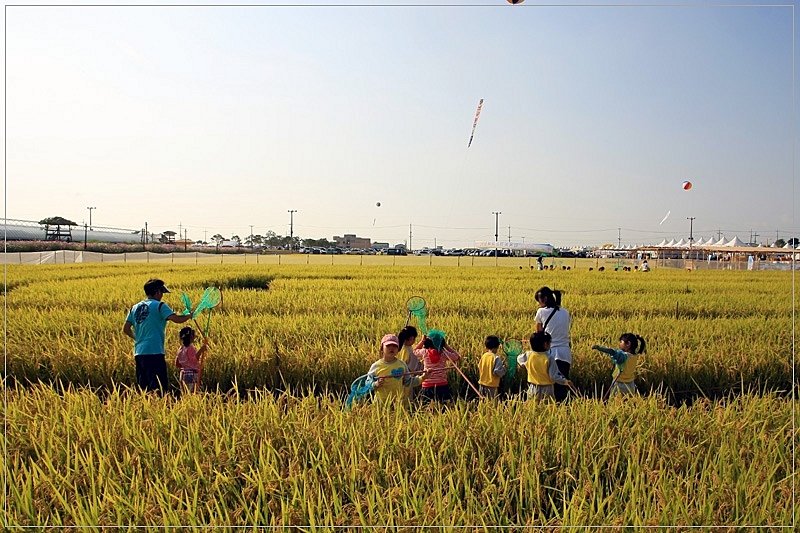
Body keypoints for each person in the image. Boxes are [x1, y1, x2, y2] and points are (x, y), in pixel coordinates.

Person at [123, 278, 192, 392]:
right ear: (158, 292)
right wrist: (189, 316)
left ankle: (147, 408)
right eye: (162, 293)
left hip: (139, 352)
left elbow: (126, 329)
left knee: (144, 388)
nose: (162, 296)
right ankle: (158, 408)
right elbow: (177, 319)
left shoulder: (134, 307)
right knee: (158, 387)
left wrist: (139, 338)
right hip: (154, 351)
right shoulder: (160, 306)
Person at [534, 286, 572, 402]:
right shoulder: (565, 312)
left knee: (548, 385)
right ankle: (563, 410)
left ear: (544, 299)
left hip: (549, 353)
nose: (538, 304)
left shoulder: (541, 311)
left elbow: (538, 334)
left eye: (539, 301)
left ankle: (551, 411)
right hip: (565, 354)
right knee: (562, 385)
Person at [367, 334, 423, 404]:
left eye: (395, 346)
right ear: (382, 348)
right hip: (380, 403)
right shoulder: (376, 366)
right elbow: (367, 384)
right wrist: (375, 384)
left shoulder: (402, 365)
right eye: (388, 346)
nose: (392, 348)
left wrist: (423, 377)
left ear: (398, 349)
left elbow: (408, 382)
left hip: (398, 403)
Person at [517, 331, 573, 401]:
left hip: (532, 388)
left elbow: (519, 358)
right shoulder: (549, 358)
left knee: (532, 408)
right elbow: (553, 376)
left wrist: (522, 365)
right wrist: (565, 382)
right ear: (545, 344)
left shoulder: (528, 355)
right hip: (547, 389)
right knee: (547, 408)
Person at [592, 333, 646, 398]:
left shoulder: (623, 356)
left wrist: (599, 348)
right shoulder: (634, 356)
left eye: (621, 342)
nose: (619, 344)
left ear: (628, 344)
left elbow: (612, 352)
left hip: (619, 385)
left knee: (614, 404)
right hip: (631, 385)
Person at [414, 329, 461, 404]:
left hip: (427, 384)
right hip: (442, 384)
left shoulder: (424, 352)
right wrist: (446, 346)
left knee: (426, 407)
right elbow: (457, 357)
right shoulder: (444, 353)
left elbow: (415, 351)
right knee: (443, 406)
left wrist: (422, 341)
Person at [175, 326, 207, 393]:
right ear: (191, 337)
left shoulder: (180, 349)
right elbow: (194, 359)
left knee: (185, 394)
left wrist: (185, 365)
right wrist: (201, 350)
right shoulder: (190, 348)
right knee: (192, 394)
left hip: (183, 374)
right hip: (191, 374)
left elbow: (177, 364)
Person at [477, 335, 506, 399]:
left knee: (483, 403)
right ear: (497, 347)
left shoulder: (484, 356)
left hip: (482, 384)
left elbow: (479, 366)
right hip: (491, 386)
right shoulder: (496, 358)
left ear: (486, 347)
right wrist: (503, 368)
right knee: (493, 404)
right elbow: (497, 372)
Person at [397, 325, 421, 399]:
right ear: (411, 338)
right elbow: (411, 370)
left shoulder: (398, 349)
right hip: (407, 379)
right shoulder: (411, 353)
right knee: (407, 399)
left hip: (397, 377)